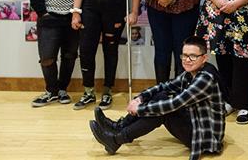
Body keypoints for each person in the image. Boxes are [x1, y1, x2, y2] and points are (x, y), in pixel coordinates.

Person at [89, 36, 225, 160]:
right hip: (194, 122)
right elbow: (165, 86)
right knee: (160, 95)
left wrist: (140, 109)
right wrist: (140, 98)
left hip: (205, 138)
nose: (187, 60)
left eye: (193, 56)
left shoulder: (206, 78)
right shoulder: (190, 73)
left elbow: (176, 103)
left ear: (204, 58)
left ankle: (116, 140)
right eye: (184, 55)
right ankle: (117, 127)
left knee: (164, 111)